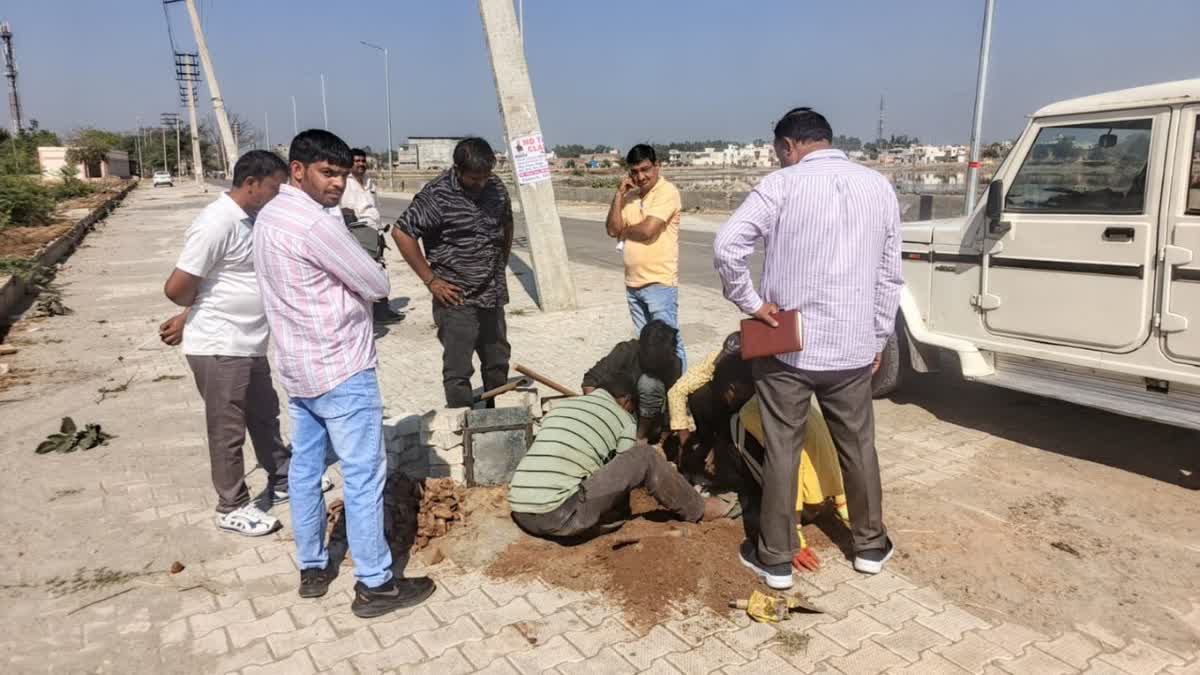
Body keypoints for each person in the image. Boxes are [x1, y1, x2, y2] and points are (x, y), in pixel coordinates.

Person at [714, 107, 903, 588]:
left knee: (783, 448)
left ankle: (776, 559)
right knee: (859, 447)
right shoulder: (878, 187)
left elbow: (727, 246)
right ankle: (870, 546)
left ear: (787, 146)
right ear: (826, 139)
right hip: (853, 348)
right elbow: (889, 276)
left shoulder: (781, 186)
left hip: (787, 348)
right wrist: (879, 336)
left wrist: (752, 303)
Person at [254, 129, 434, 618]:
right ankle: (375, 584)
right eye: (327, 173)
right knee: (362, 475)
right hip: (340, 366)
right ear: (298, 170)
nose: (337, 184)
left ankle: (312, 567)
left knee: (308, 470)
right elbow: (376, 282)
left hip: (297, 366)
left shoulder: (270, 215)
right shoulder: (316, 225)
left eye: (343, 174)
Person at [159, 150, 294, 537]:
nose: (279, 195)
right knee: (227, 429)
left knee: (264, 414)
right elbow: (177, 287)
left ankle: (282, 478)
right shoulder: (216, 222)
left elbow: (226, 280)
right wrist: (194, 314)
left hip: (249, 343)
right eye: (274, 188)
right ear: (251, 184)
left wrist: (191, 315)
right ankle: (231, 505)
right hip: (221, 345)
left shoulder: (251, 220)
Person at [508, 375, 733, 539]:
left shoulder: (560, 408)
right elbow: (627, 464)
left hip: (520, 510)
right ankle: (698, 509)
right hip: (557, 516)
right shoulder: (623, 418)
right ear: (626, 400)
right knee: (644, 455)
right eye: (633, 407)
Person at [392, 138, 514, 409]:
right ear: (457, 169)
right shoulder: (436, 195)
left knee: (497, 360)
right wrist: (431, 280)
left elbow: (506, 223)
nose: (481, 184)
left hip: (492, 293)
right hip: (456, 298)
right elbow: (401, 233)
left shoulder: (496, 187)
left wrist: (501, 263)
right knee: (459, 368)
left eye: (486, 176)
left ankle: (499, 420)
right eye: (474, 178)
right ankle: (462, 424)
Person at [605, 144, 687, 371]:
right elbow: (612, 229)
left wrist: (626, 230)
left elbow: (648, 230)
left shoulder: (667, 192)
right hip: (633, 285)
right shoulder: (629, 197)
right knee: (646, 347)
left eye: (645, 169)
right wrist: (619, 194)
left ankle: (679, 397)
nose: (640, 176)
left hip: (659, 283)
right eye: (634, 172)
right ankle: (657, 397)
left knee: (669, 345)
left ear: (657, 166)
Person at [581, 320, 682, 442]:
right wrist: (598, 414)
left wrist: (662, 439)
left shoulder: (673, 363)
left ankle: (638, 438)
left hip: (649, 422)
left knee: (649, 384)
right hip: (617, 413)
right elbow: (590, 382)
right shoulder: (625, 351)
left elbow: (673, 405)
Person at [339, 148, 401, 323]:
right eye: (356, 161)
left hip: (375, 232)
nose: (360, 164)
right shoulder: (344, 182)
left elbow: (376, 207)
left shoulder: (369, 182)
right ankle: (366, 313)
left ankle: (382, 311)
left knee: (378, 270)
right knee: (363, 273)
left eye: (362, 161)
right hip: (356, 232)